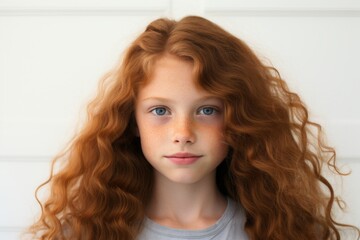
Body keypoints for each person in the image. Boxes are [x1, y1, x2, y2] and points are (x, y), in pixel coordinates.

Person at [27, 16, 359, 240]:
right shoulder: (84, 233)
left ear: (240, 119)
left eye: (207, 110)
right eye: (160, 110)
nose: (183, 132)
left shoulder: (284, 232)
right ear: (131, 121)